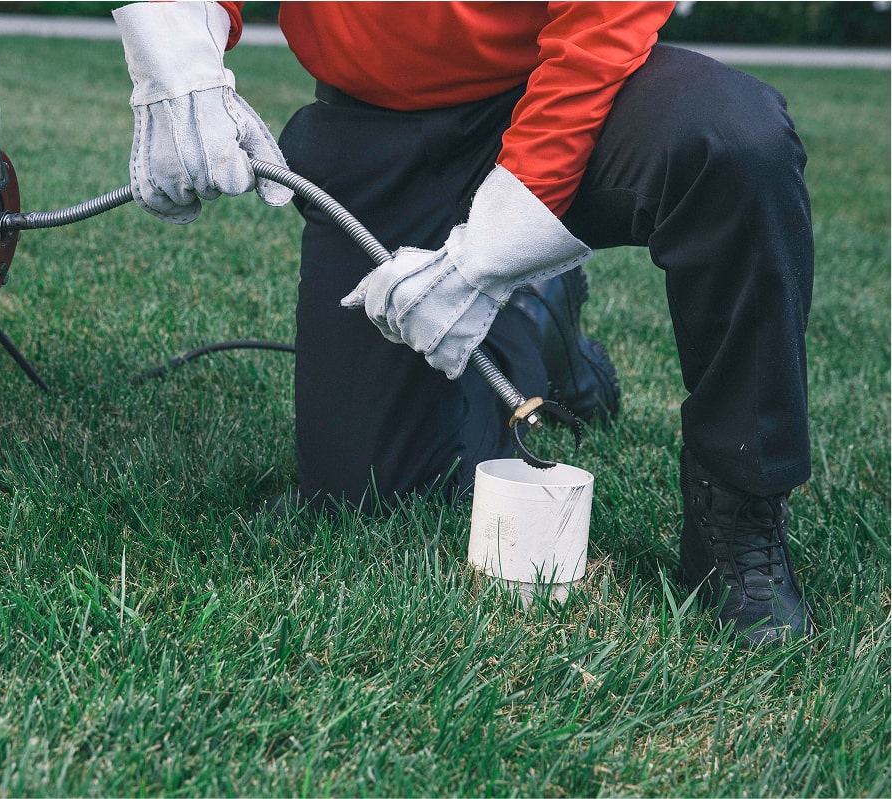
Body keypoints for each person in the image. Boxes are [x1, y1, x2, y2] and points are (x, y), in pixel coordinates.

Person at [112, 2, 815, 648]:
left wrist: (491, 252)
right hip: (375, 123)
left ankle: (738, 507)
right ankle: (541, 319)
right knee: (367, 495)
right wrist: (174, 65)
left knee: (732, 138)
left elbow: (602, 25)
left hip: (559, 93)